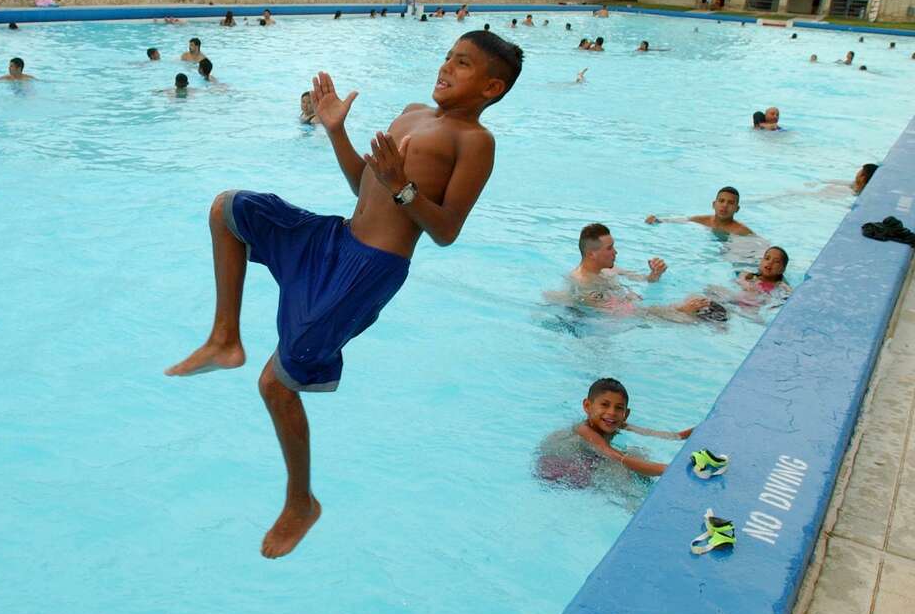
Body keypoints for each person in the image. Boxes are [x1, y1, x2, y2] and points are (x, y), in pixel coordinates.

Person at [165, 30, 524, 558]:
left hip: (371, 268)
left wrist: (404, 186)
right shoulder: (412, 112)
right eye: (448, 56)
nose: (446, 67)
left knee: (276, 384)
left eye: (463, 64)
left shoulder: (476, 142)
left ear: (491, 87)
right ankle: (224, 338)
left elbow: (446, 230)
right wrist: (338, 132)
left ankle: (300, 503)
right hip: (337, 236)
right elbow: (364, 187)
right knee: (228, 209)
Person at [566, 223, 716, 319]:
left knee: (703, 304)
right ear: (592, 254)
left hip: (636, 308)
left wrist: (654, 274)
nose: (616, 252)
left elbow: (645, 280)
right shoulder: (584, 285)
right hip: (605, 330)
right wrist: (680, 309)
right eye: (610, 248)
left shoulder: (608, 270)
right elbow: (631, 315)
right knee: (693, 318)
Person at [571, 378, 690, 478]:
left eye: (618, 408)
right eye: (604, 405)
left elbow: (665, 435)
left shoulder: (617, 424)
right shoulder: (584, 429)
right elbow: (612, 455)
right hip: (565, 469)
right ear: (587, 406)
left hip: (593, 461)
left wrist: (694, 431)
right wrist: (666, 469)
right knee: (620, 470)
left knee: (638, 454)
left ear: (625, 414)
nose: (612, 412)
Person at [645, 186, 753, 236]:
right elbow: (685, 220)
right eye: (721, 201)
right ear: (714, 204)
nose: (724, 205)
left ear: (737, 209)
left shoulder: (742, 231)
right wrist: (658, 220)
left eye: (730, 203)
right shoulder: (704, 220)